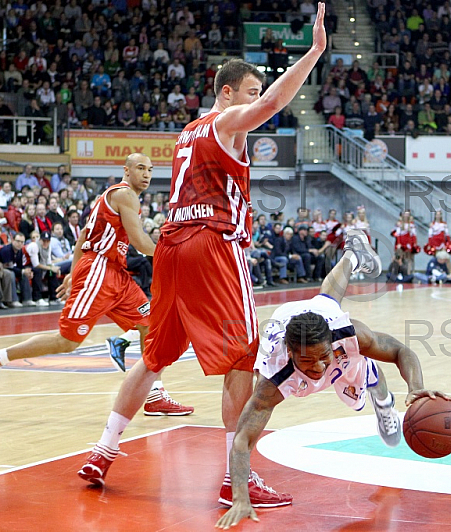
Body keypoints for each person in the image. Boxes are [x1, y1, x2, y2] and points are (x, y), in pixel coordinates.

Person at [75, 4, 376, 509]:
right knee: (244, 358)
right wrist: (314, 53)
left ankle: (103, 449)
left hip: (171, 246)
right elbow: (276, 102)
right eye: (250, 92)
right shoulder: (225, 121)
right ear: (227, 92)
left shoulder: (186, 132)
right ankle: (238, 474)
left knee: (153, 358)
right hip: (213, 244)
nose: (255, 103)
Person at [215, 247, 450, 528]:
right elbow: (242, 440)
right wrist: (241, 497)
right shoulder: (273, 379)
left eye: (322, 357)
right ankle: (350, 256)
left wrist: (415, 387)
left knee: (329, 302)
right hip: (287, 324)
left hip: (326, 326)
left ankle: (382, 399)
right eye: (307, 360)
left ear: (331, 343)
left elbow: (400, 351)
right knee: (327, 303)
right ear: (290, 353)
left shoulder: (347, 334)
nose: (316, 367)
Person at [0, 154, 192, 417]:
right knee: (67, 341)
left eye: (150, 170)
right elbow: (139, 240)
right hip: (100, 270)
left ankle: (154, 394)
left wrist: (75, 272)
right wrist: (179, 255)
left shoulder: (109, 197)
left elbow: (84, 237)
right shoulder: (125, 195)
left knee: (151, 324)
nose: (146, 174)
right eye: (140, 168)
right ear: (127, 170)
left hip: (112, 273)